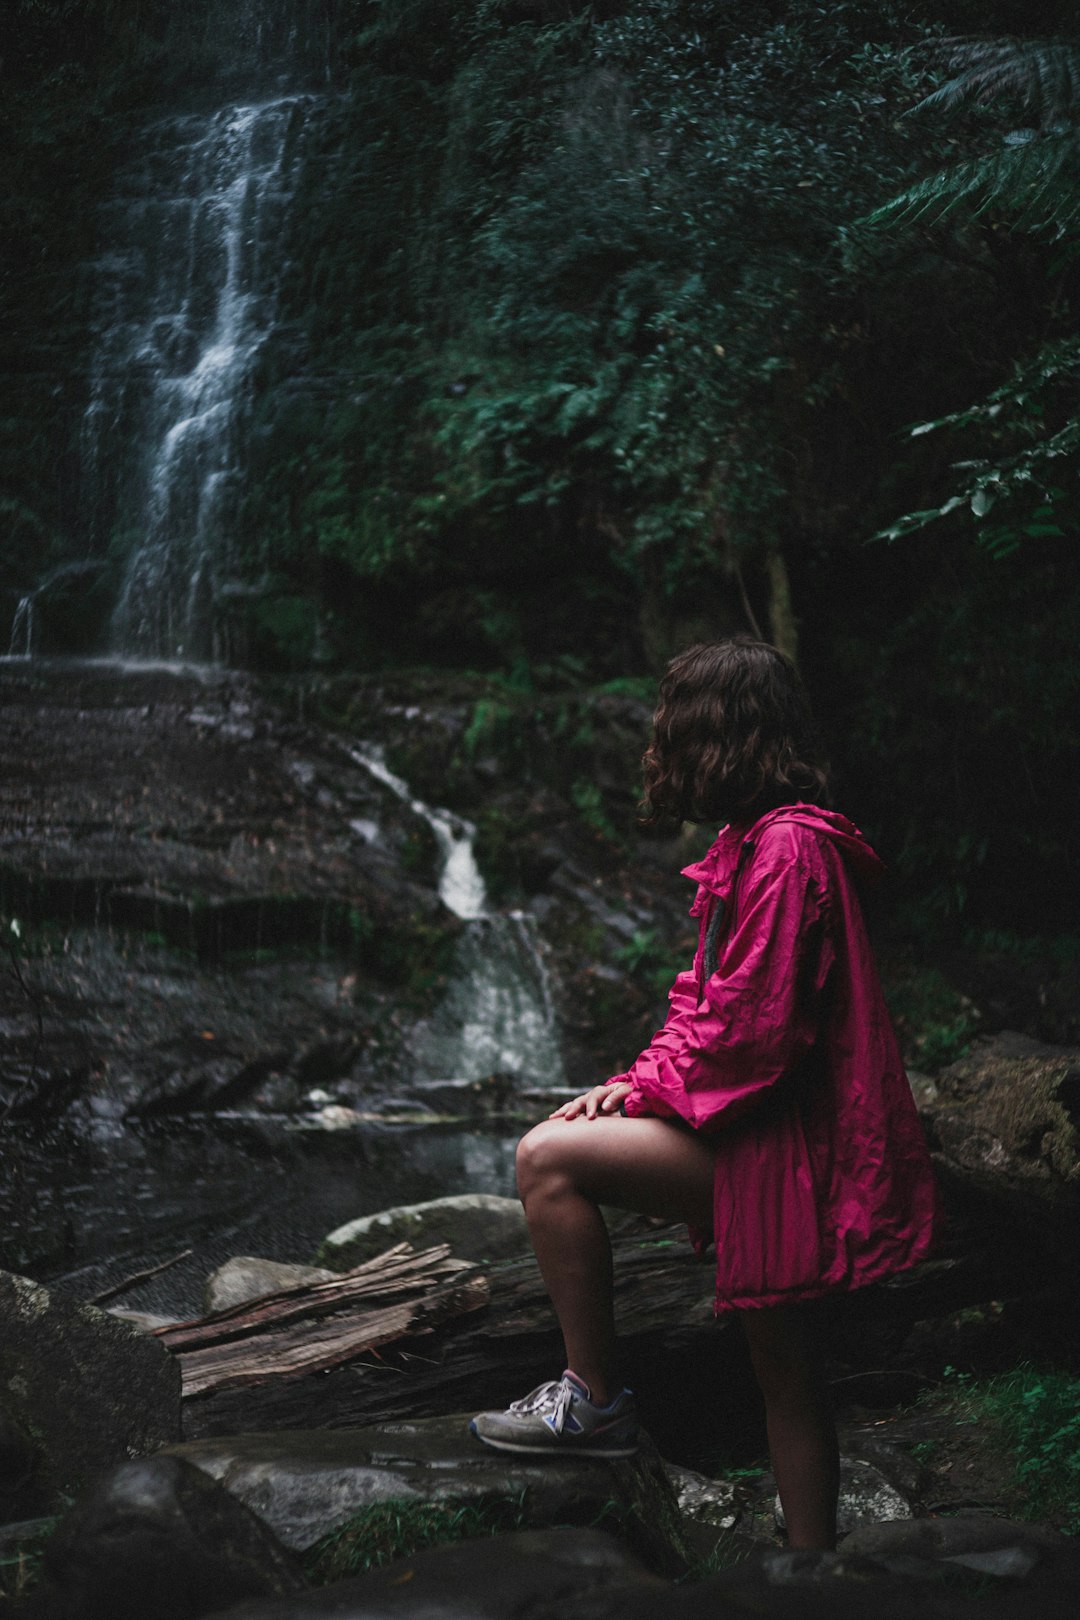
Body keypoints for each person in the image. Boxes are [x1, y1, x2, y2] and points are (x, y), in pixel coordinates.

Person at [469, 638, 937, 1550]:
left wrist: (645, 1092)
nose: (662, 744)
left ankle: (594, 1402)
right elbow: (712, 1007)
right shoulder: (755, 841)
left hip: (785, 1145)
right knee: (786, 1375)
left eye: (675, 725)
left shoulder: (790, 848)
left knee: (546, 1159)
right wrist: (631, 1084)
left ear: (722, 733)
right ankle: (812, 1571)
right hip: (771, 1131)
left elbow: (756, 1033)